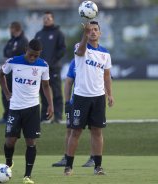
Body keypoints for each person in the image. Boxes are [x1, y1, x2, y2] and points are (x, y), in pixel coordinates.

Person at [0, 39, 54, 184]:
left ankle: (27, 176)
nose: (33, 58)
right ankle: (8, 163)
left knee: (31, 142)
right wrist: (6, 92)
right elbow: (0, 74)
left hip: (33, 108)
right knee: (10, 141)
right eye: (31, 54)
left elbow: (46, 86)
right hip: (15, 108)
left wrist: (50, 104)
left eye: (36, 55)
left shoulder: (43, 65)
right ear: (26, 49)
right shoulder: (13, 61)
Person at [64, 21, 114, 176]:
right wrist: (84, 34)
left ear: (100, 33)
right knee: (76, 132)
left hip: (98, 97)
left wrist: (110, 94)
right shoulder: (80, 47)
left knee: (97, 132)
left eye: (95, 30)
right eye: (90, 30)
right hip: (81, 97)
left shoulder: (105, 53)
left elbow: (107, 76)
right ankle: (68, 166)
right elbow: (80, 51)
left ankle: (98, 167)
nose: (92, 32)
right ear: (86, 33)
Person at [51, 59, 95, 167]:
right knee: (70, 129)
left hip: (94, 101)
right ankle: (67, 158)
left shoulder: (98, 57)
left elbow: (105, 78)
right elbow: (68, 81)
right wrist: (67, 102)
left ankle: (94, 158)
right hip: (76, 102)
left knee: (94, 129)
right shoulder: (75, 61)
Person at [35, 11, 66, 123]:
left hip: (54, 68)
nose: (46, 20)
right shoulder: (39, 34)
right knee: (43, 93)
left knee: (57, 92)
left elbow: (62, 49)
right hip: (40, 69)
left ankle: (57, 117)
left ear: (53, 19)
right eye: (44, 18)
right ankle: (44, 117)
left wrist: (52, 61)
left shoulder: (58, 33)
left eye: (48, 18)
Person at [0, 21, 29, 124]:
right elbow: (5, 53)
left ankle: (17, 116)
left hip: (18, 72)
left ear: (14, 28)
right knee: (5, 92)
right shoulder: (11, 41)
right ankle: (7, 116)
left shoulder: (24, 41)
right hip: (8, 72)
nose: (9, 30)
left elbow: (22, 56)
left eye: (10, 28)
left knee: (17, 94)